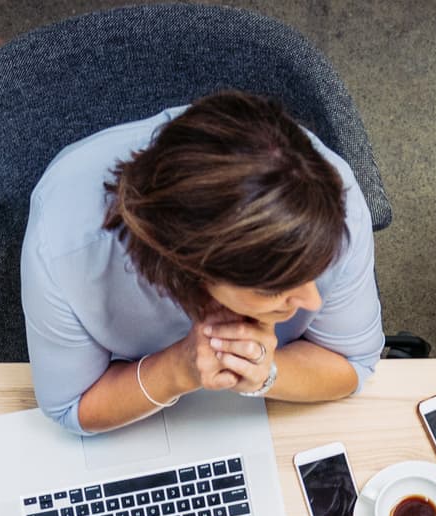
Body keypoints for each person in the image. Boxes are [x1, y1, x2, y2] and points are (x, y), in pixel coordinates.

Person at [23, 90, 384, 435]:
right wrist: (179, 369)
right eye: (274, 287)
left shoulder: (335, 205)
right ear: (192, 271)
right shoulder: (59, 249)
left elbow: (352, 364)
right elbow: (71, 407)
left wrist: (265, 373)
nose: (313, 301)